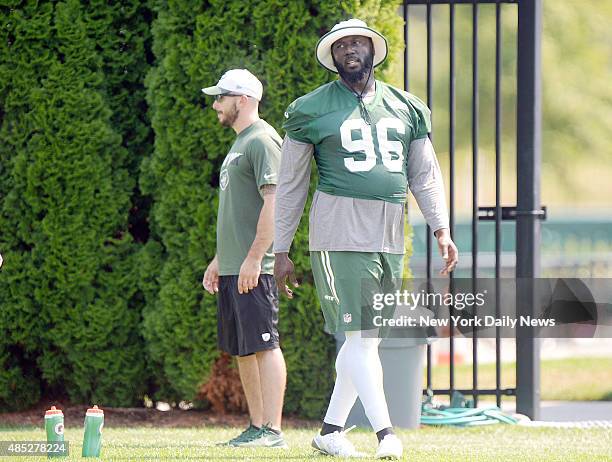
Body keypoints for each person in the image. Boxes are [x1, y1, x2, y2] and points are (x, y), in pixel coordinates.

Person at [274, 19, 458, 459]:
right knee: (359, 336)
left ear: (374, 50)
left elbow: (425, 175)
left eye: (358, 42)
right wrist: (281, 248)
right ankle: (385, 433)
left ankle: (330, 431)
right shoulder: (310, 109)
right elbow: (291, 183)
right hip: (339, 229)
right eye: (342, 46)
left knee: (366, 341)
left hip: (390, 231)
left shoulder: (407, 106)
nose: (351, 50)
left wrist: (442, 228)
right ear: (332, 57)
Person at [201, 69, 287, 448]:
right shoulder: (240, 143)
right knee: (243, 348)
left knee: (265, 345)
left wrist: (255, 258)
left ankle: (273, 431)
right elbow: (238, 211)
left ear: (244, 99)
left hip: (256, 268)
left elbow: (275, 204)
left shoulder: (263, 140)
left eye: (222, 97)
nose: (216, 104)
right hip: (235, 268)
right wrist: (221, 260)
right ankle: (257, 426)